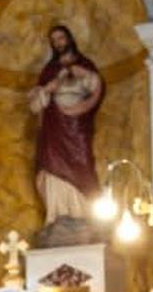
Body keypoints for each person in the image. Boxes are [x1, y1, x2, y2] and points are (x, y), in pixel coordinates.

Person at [28, 25, 105, 226]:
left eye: (61, 38)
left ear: (69, 39)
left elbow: (96, 88)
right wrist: (47, 88)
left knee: (82, 163)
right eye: (54, 40)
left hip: (78, 125)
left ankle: (83, 213)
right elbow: (38, 103)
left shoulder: (84, 64)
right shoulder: (50, 70)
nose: (58, 43)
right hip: (54, 125)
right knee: (51, 165)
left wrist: (81, 74)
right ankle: (56, 213)